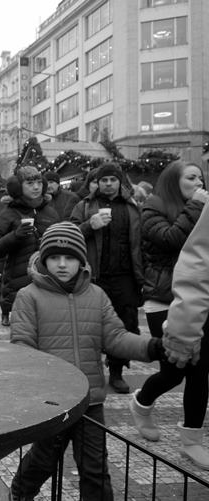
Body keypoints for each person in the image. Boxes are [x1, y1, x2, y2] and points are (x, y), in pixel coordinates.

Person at [10, 222, 164, 501]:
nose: (62, 264)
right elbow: (23, 347)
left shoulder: (96, 295)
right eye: (55, 257)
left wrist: (153, 348)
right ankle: (20, 493)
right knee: (43, 460)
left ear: (81, 261)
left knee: (95, 468)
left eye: (70, 258)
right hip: (51, 402)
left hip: (90, 402)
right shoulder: (28, 296)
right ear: (44, 259)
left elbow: (115, 337)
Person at [129, 161, 209, 467]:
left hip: (198, 300)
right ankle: (142, 402)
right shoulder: (153, 207)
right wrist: (197, 207)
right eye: (191, 177)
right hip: (163, 300)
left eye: (200, 178)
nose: (198, 183)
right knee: (174, 371)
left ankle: (192, 439)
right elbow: (170, 238)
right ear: (173, 181)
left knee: (199, 370)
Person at [70, 163, 144, 394]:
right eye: (104, 180)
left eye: (113, 180)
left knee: (123, 324)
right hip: (94, 277)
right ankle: (88, 373)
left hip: (125, 277)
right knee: (90, 325)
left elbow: (141, 242)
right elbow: (68, 234)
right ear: (97, 182)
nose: (109, 184)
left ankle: (117, 372)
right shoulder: (85, 206)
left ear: (120, 182)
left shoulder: (132, 207)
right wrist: (89, 225)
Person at [159, 197, 209, 467]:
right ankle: (191, 438)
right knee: (186, 373)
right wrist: (183, 332)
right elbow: (197, 266)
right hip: (166, 298)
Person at [0, 166, 59, 326]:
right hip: (17, 279)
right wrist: (15, 235)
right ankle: (6, 312)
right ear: (18, 187)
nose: (36, 187)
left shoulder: (50, 212)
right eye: (30, 183)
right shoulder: (9, 213)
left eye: (39, 182)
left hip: (47, 275)